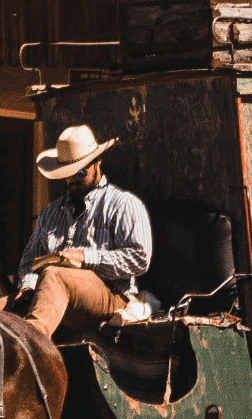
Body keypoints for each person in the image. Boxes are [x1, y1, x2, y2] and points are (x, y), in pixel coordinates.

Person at [11, 124, 153, 339]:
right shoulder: (50, 212)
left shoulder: (123, 204)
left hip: (111, 295)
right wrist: (29, 286)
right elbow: (29, 260)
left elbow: (139, 258)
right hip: (52, 293)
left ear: (97, 163)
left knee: (54, 275)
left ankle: (32, 343)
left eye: (80, 172)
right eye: (66, 175)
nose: (72, 180)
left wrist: (86, 258)